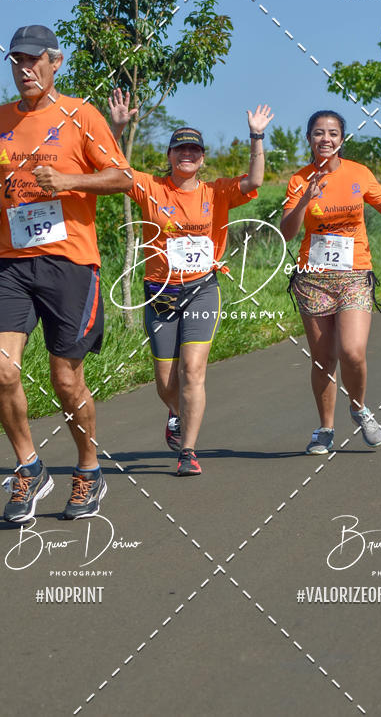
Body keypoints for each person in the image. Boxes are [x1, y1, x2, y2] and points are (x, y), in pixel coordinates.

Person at [0, 25, 133, 522]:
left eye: (33, 61)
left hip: (70, 261)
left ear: (55, 62)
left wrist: (69, 180)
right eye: (16, 63)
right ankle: (30, 465)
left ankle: (88, 469)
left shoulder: (81, 115)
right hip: (13, 261)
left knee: (65, 380)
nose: (24, 71)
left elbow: (123, 176)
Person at [109, 89, 272, 476]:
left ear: (202, 158)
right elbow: (115, 170)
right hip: (160, 291)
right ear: (169, 156)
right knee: (167, 382)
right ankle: (176, 412)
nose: (187, 156)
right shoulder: (151, 188)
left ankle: (188, 451)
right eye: (180, 150)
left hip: (202, 287)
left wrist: (256, 137)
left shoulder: (216, 192)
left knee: (192, 372)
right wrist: (117, 128)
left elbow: (255, 179)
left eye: (194, 151)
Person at [280, 110, 381, 454]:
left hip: (355, 274)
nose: (325, 139)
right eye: (318, 133)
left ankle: (359, 407)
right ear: (309, 139)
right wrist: (305, 200)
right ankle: (325, 429)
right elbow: (287, 232)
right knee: (322, 359)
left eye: (332, 133)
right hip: (313, 279)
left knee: (352, 351)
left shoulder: (358, 173)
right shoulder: (299, 180)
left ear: (341, 139)